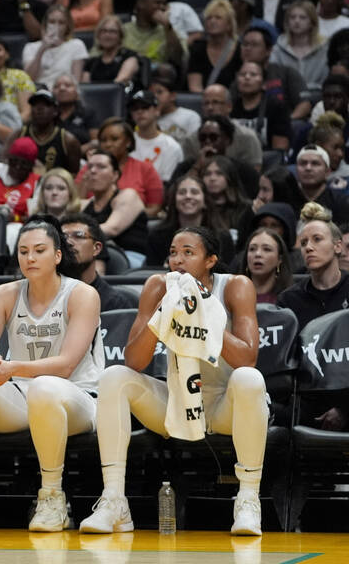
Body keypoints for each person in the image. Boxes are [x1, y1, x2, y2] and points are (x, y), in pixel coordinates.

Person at [81, 226, 267, 536]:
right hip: (176, 401)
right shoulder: (157, 286)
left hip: (224, 403)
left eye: (188, 253)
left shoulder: (236, 286)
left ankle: (248, 500)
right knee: (115, 376)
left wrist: (202, 313)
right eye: (172, 253)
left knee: (249, 379)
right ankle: (114, 500)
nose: (177, 260)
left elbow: (247, 358)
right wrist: (164, 315)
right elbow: (134, 362)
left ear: (211, 260)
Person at [0, 217, 102, 532]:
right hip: (25, 396)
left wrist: (11, 368)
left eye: (39, 250)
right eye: (24, 251)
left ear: (57, 256)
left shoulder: (82, 294)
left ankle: (52, 498)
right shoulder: (6, 293)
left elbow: (65, 365)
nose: (30, 258)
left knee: (46, 388)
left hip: (78, 398)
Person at [81, 149, 150, 264]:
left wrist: (74, 234)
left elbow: (111, 229)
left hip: (131, 260)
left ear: (115, 175)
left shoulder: (128, 195)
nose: (93, 171)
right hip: (95, 255)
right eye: (89, 167)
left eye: (101, 167)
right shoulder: (84, 204)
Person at [61, 213, 137, 311]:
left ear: (96, 248)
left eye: (79, 236)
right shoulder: (44, 296)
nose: (69, 242)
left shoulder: (115, 303)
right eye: (63, 238)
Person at [128, 88, 183, 182]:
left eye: (145, 107)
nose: (139, 111)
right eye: (135, 108)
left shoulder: (171, 146)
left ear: (157, 110)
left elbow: (167, 183)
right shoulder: (126, 142)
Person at [240, 227, 293, 304]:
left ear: (279, 259)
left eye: (266, 249)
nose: (258, 254)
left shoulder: (290, 298)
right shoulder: (231, 294)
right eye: (252, 249)